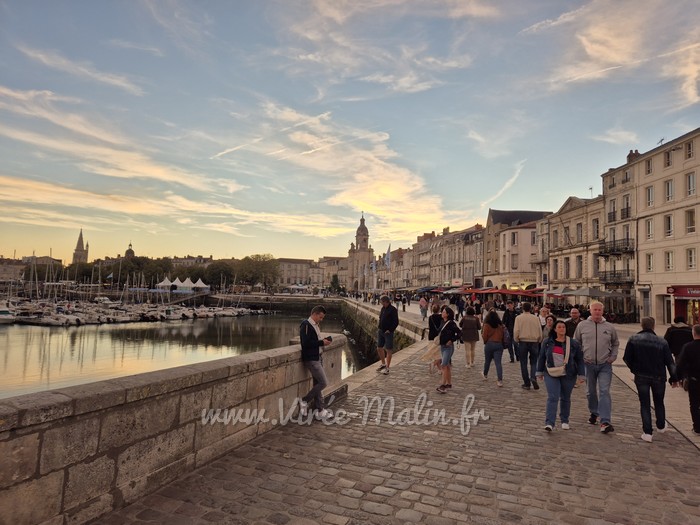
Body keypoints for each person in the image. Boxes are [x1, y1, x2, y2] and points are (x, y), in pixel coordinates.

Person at [623, 317, 679, 442]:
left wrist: (634, 369)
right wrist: (674, 378)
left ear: (641, 326)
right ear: (653, 326)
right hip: (658, 376)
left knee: (645, 404)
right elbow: (670, 362)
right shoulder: (662, 341)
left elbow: (627, 358)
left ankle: (647, 432)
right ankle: (661, 425)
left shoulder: (633, 339)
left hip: (641, 376)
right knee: (659, 401)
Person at [573, 301, 619, 433]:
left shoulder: (609, 327)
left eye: (599, 310)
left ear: (603, 311)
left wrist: (613, 356)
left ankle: (605, 421)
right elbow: (576, 343)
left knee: (604, 391)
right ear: (590, 311)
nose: (597, 312)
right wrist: (580, 359)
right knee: (590, 392)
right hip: (588, 364)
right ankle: (594, 412)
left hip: (605, 364)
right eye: (595, 310)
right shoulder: (582, 325)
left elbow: (615, 343)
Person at [535, 320, 585, 431]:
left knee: (565, 397)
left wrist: (582, 374)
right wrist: (539, 372)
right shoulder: (547, 342)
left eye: (564, 327)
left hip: (568, 373)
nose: (562, 329)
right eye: (560, 327)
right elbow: (541, 357)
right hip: (551, 372)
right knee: (553, 397)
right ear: (555, 329)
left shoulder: (573, 343)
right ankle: (549, 423)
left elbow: (579, 360)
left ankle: (564, 420)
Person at [299, 305, 333, 418]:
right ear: (314, 314)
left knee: (317, 384)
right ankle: (304, 400)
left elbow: (314, 341)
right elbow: (306, 343)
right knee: (323, 383)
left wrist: (323, 342)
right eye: (320, 317)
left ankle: (320, 410)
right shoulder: (306, 325)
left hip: (318, 357)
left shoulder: (315, 326)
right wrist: (321, 343)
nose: (321, 320)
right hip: (312, 359)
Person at [674, 324, 700, 435]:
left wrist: (678, 378)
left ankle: (697, 427)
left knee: (694, 404)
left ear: (693, 333)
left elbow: (680, 364)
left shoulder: (688, 347)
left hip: (694, 380)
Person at [514, 302, 543, 391]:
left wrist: (516, 339)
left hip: (523, 341)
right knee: (534, 362)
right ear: (531, 309)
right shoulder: (535, 318)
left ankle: (527, 383)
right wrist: (539, 340)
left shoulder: (518, 318)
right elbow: (539, 330)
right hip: (534, 342)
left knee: (523, 363)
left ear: (522, 308)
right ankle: (533, 377)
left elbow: (516, 331)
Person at [436, 306, 461, 393]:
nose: (442, 313)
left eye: (443, 312)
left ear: (447, 314)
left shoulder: (451, 323)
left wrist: (452, 340)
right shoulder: (442, 321)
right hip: (442, 346)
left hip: (448, 347)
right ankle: (449, 383)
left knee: (443, 365)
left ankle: (443, 385)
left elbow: (459, 333)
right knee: (447, 366)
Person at [481, 310, 506, 387]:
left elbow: (484, 336)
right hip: (499, 344)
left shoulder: (487, 325)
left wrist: (485, 342)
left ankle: (485, 374)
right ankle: (500, 380)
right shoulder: (500, 326)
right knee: (498, 363)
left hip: (489, 344)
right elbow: (503, 336)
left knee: (487, 361)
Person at [377, 295, 399, 375]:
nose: (381, 303)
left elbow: (396, 322)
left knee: (388, 350)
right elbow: (381, 318)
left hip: (388, 333)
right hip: (381, 331)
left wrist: (389, 330)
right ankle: (383, 364)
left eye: (382, 302)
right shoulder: (383, 308)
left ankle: (387, 367)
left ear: (386, 301)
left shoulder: (393, 310)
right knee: (379, 348)